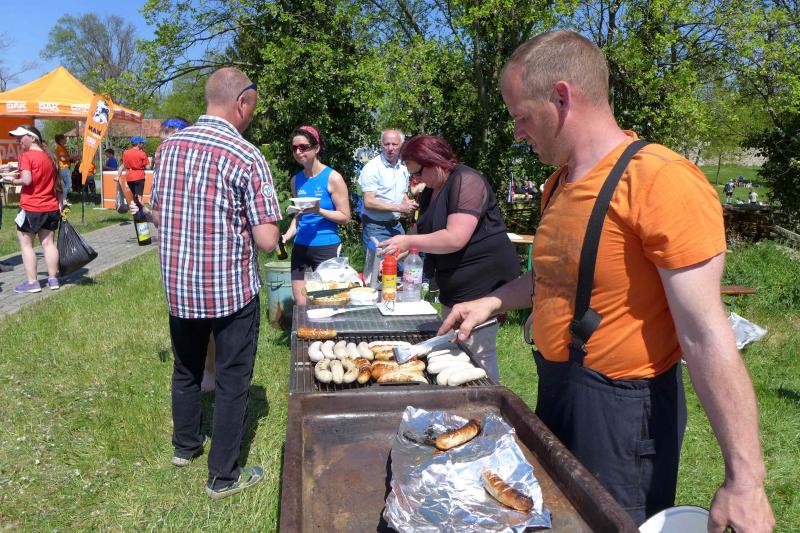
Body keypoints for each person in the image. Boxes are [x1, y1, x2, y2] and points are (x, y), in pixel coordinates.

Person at [440, 30, 774, 531]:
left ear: (561, 98)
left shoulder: (660, 179)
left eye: (521, 116)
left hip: (623, 418)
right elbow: (551, 276)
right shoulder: (559, 183)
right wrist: (491, 302)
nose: (518, 132)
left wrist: (745, 480)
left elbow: (706, 334)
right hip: (558, 392)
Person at [132, 68, 281, 499]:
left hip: (181, 286)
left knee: (186, 368)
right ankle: (223, 476)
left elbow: (159, 213)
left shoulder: (168, 149)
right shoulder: (247, 156)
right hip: (231, 290)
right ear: (243, 102)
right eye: (253, 108)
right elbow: (268, 241)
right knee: (233, 379)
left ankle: (185, 446)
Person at [379, 135, 520, 381]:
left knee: (477, 352)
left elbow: (455, 237)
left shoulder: (467, 180)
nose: (417, 180)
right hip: (454, 278)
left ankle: (488, 397)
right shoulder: (430, 191)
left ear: (435, 161)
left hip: (483, 278)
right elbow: (421, 230)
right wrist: (396, 250)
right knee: (456, 347)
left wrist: (408, 242)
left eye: (419, 173)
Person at [281, 125, 350, 306]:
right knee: (301, 302)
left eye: (303, 147)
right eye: (294, 148)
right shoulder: (296, 180)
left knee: (328, 302)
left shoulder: (333, 178)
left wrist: (319, 211)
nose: (298, 152)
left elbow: (345, 217)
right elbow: (299, 216)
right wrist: (287, 236)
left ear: (316, 148)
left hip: (326, 246)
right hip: (300, 247)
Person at [8, 125, 61, 293]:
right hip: (50, 206)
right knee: (48, 244)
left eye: (20, 137)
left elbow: (27, 180)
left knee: (26, 245)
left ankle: (32, 283)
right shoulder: (49, 156)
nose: (18, 140)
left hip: (31, 207)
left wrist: (10, 180)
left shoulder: (26, 155)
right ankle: (53, 280)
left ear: (33, 138)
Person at [358, 129, 417, 254]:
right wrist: (399, 207)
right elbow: (368, 202)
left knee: (401, 263)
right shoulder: (372, 168)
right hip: (376, 227)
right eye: (387, 144)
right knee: (380, 264)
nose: (390, 148)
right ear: (381, 145)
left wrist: (408, 204)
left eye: (394, 144)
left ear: (401, 146)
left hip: (396, 226)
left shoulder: (403, 168)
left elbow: (402, 193)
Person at [116, 137, 149, 204]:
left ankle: (135, 208)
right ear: (138, 144)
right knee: (139, 197)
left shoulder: (126, 152)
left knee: (134, 196)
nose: (143, 144)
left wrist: (118, 176)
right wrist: (149, 161)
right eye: (142, 143)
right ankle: (139, 209)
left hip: (129, 177)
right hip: (139, 176)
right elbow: (148, 167)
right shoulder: (142, 153)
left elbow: (123, 165)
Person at [54, 134, 74, 205]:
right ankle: (63, 199)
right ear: (61, 140)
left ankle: (63, 199)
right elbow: (63, 159)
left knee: (66, 185)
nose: (66, 139)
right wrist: (72, 157)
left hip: (65, 167)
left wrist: (73, 159)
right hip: (63, 168)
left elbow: (66, 158)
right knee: (68, 184)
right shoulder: (59, 148)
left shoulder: (62, 147)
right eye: (64, 138)